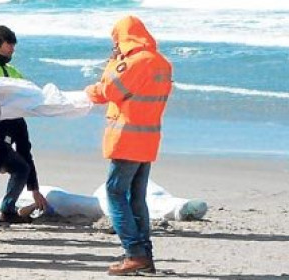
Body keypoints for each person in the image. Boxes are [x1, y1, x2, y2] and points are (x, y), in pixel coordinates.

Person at [83, 15, 172, 276]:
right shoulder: (162, 63)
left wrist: (111, 63)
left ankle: (135, 254)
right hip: (149, 138)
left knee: (115, 194)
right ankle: (144, 254)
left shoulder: (133, 62)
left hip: (127, 138)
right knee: (136, 197)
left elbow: (109, 90)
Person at [0, 25, 48, 225]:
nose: (12, 50)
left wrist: (34, 189)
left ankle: (7, 209)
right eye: (9, 45)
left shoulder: (13, 71)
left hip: (11, 123)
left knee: (21, 166)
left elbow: (28, 94)